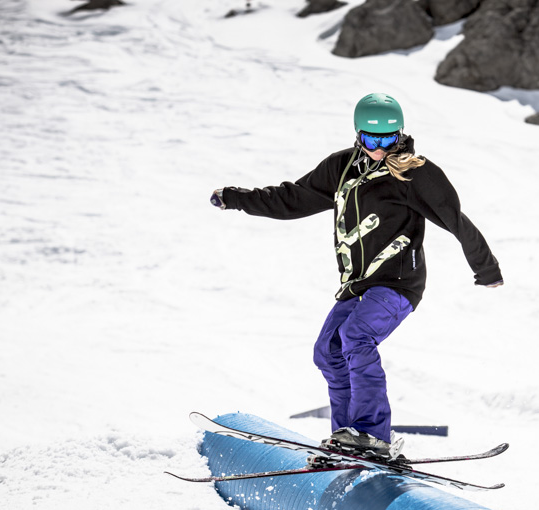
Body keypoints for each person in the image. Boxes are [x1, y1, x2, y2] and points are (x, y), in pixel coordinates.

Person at [209, 93, 503, 458]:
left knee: (357, 335)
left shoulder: (415, 173)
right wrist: (237, 198)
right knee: (328, 352)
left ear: (400, 134)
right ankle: (346, 438)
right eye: (371, 139)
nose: (379, 149)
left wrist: (485, 268)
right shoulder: (341, 169)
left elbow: (455, 218)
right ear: (358, 134)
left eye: (388, 139)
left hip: (398, 282)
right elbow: (292, 199)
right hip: (357, 284)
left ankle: (372, 436)